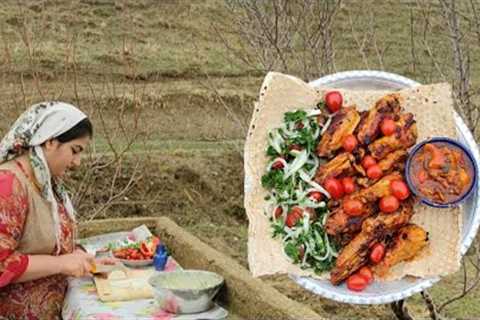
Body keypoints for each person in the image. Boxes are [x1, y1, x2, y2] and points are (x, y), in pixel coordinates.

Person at [0, 102, 106, 319]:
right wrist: (60, 264)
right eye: (74, 150)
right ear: (50, 141)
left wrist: (85, 259)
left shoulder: (47, 185)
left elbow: (51, 243)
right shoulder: (8, 185)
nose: (77, 162)